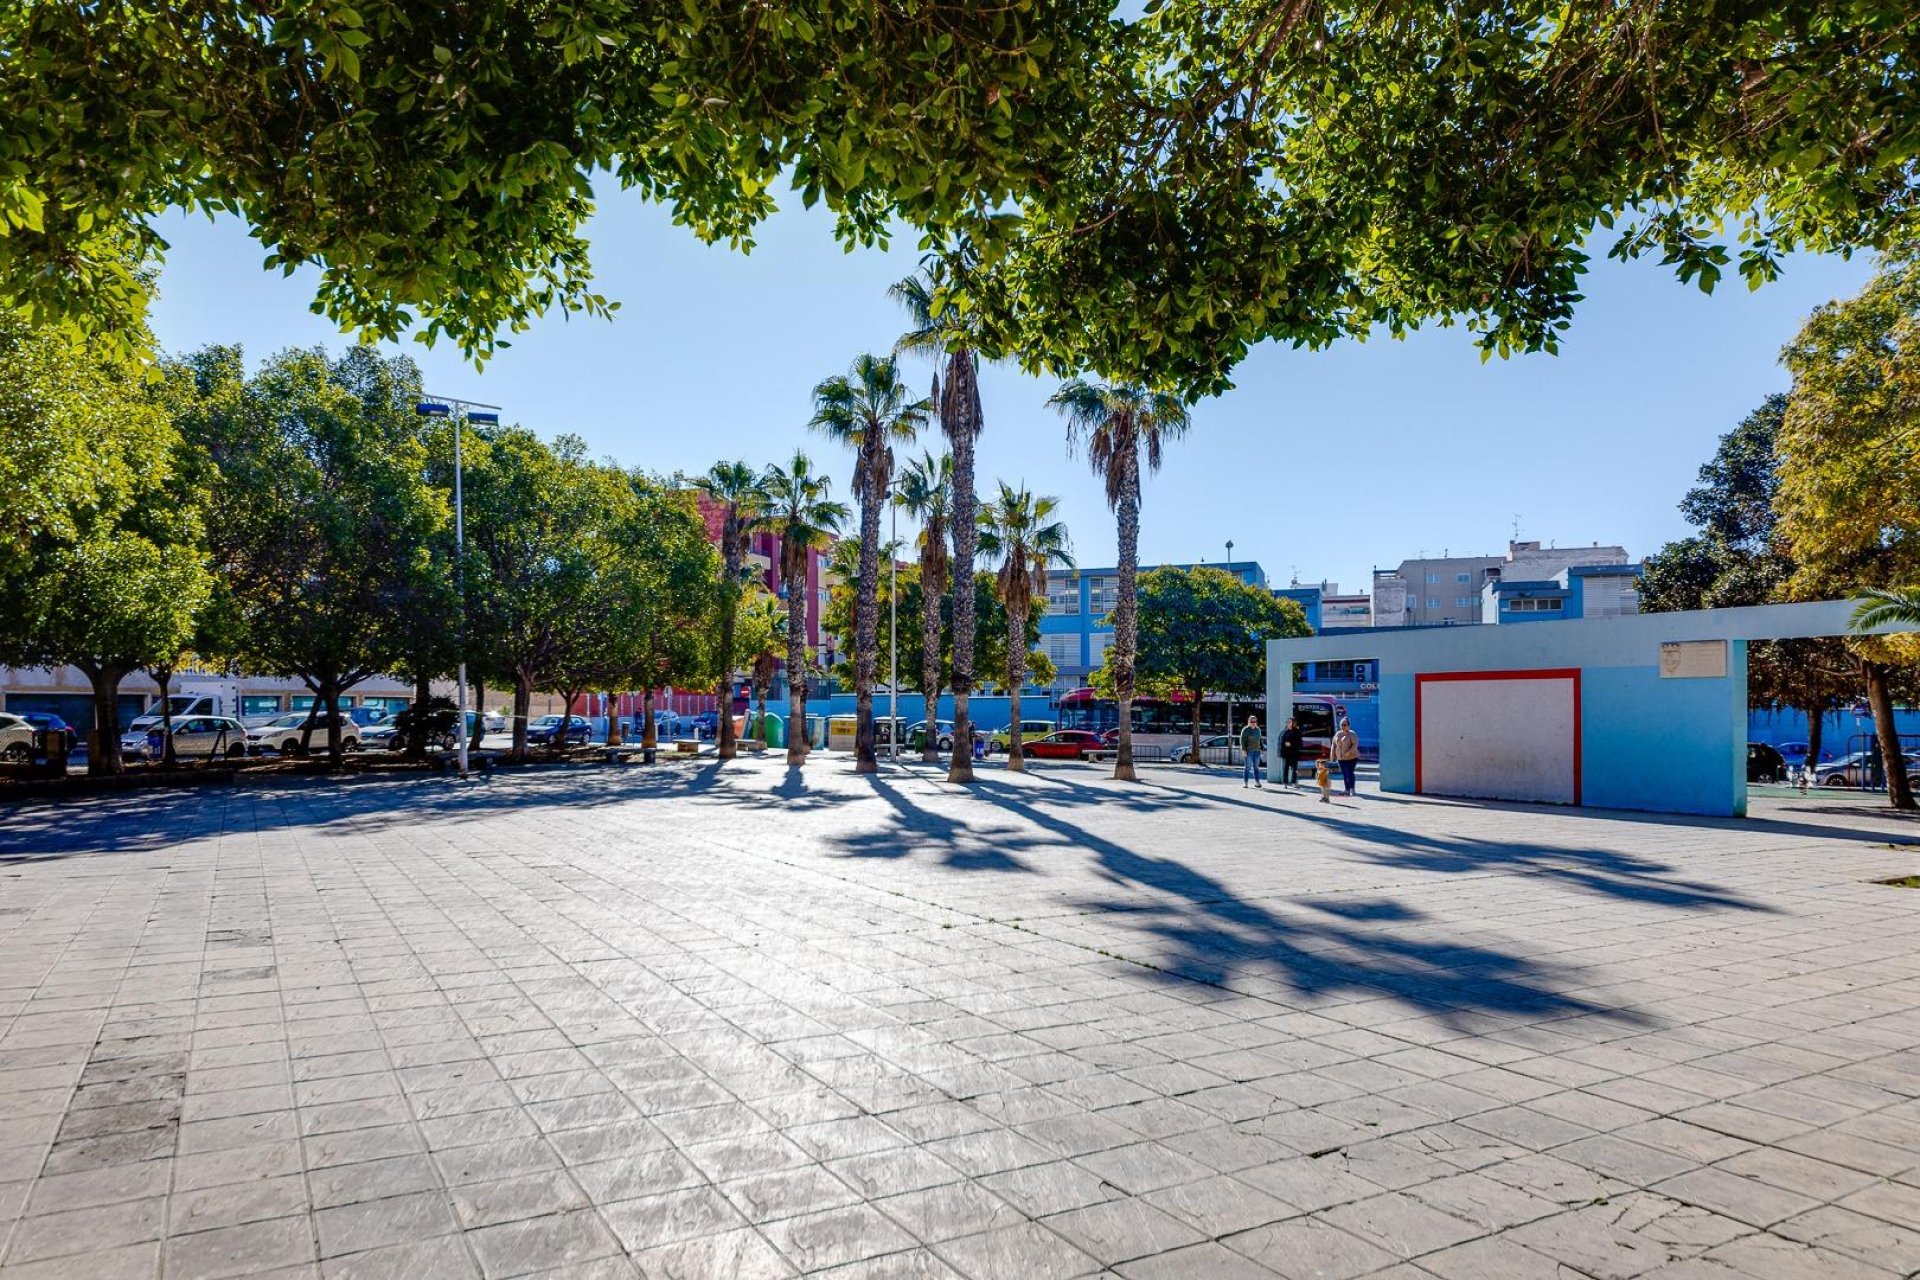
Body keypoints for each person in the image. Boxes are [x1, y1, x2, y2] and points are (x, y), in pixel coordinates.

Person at [1332, 716, 1360, 796]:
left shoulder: (1352, 734)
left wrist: (1349, 751)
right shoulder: (1338, 734)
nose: (1343, 726)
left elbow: (1355, 744)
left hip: (1351, 757)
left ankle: (1352, 789)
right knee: (1344, 774)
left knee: (1349, 772)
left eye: (1344, 725)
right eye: (1341, 725)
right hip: (1341, 758)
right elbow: (1334, 745)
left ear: (1348, 725)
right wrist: (1332, 754)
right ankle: (1347, 789)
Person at [1239, 715, 1263, 788]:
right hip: (1249, 751)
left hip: (1257, 751)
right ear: (1249, 722)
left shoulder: (1258, 729)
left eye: (1254, 721)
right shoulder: (1245, 730)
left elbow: (1260, 740)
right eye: (1252, 721)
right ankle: (1245, 783)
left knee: (1256, 767)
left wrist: (1261, 748)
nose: (1253, 723)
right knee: (1247, 767)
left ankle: (1257, 782)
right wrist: (1243, 750)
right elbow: (1242, 741)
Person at [1278, 718, 1303, 787]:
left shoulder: (1297, 731)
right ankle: (1285, 783)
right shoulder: (1285, 731)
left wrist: (1291, 744)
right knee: (1286, 768)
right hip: (1286, 753)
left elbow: (1300, 743)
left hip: (1294, 753)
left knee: (1295, 768)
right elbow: (1281, 742)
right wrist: (1284, 745)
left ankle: (1294, 782)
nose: (1288, 723)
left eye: (1290, 722)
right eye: (1287, 722)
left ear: (1293, 723)